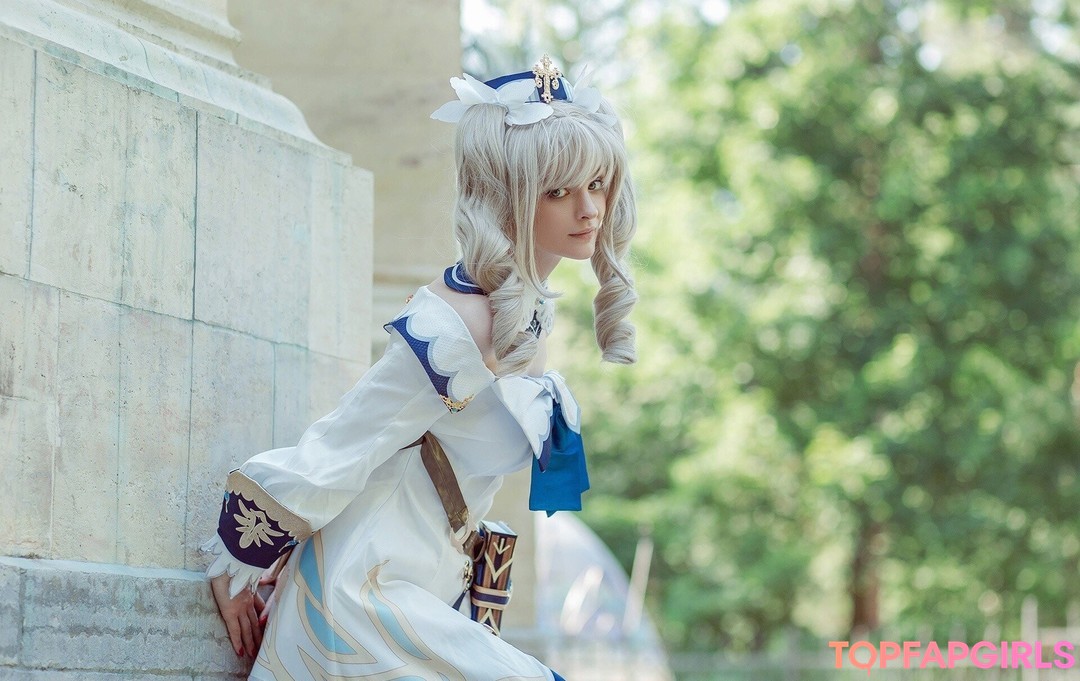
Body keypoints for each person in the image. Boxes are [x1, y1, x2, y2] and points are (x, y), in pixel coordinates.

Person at [203, 55, 637, 680]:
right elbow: (347, 440)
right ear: (506, 195)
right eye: (558, 191)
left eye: (597, 184)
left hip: (425, 588)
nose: (589, 209)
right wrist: (238, 562)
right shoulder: (458, 322)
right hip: (363, 592)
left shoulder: (528, 314)